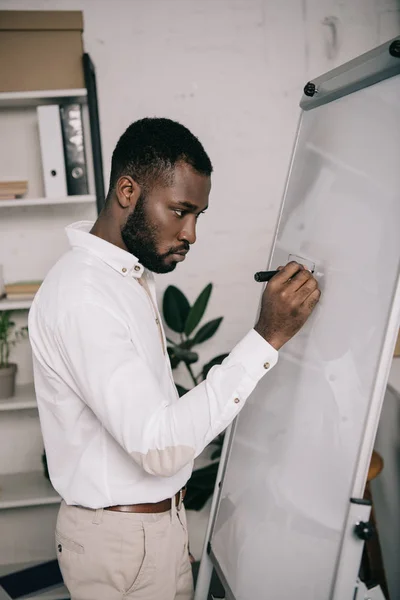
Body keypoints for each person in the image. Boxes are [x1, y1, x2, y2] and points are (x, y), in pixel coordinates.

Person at [28, 117, 321, 600]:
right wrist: (266, 337)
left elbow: (150, 421)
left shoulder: (123, 278)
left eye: (198, 215)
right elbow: (157, 444)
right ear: (127, 191)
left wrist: (166, 529)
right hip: (125, 543)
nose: (191, 233)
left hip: (144, 533)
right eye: (180, 210)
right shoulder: (84, 295)